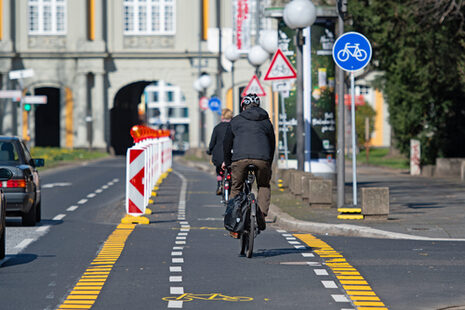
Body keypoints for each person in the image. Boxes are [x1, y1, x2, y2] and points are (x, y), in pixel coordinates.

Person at [223, 93, 275, 231]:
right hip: (262, 159)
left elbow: (227, 144)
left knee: (236, 188)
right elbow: (272, 144)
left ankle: (234, 221)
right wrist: (268, 162)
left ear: (243, 106)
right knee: (263, 185)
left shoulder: (236, 120)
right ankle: (262, 215)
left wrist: (228, 162)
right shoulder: (266, 121)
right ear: (258, 106)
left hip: (240, 159)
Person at [207, 108, 233, 195]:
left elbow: (212, 142)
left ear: (222, 116)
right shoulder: (234, 127)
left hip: (218, 155)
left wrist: (209, 151)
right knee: (231, 169)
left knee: (219, 170)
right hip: (231, 154)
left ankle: (219, 185)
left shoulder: (217, 128)